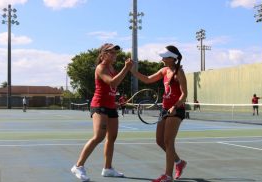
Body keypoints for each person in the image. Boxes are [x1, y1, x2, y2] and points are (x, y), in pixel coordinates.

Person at [71, 43, 133, 181]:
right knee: (99, 136)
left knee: (112, 137)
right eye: (111, 52)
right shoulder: (101, 67)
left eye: (115, 53)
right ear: (103, 54)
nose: (114, 55)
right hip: (99, 105)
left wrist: (115, 100)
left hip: (110, 106)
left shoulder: (112, 68)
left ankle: (108, 168)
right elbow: (112, 83)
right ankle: (78, 166)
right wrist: (126, 68)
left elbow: (112, 88)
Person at [131, 45, 187, 182]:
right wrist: (132, 70)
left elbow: (184, 94)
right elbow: (147, 79)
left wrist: (175, 106)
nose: (162, 58)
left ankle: (168, 176)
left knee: (168, 141)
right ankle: (179, 162)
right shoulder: (164, 70)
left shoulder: (179, 72)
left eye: (164, 56)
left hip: (176, 109)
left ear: (172, 58)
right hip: (165, 109)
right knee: (159, 141)